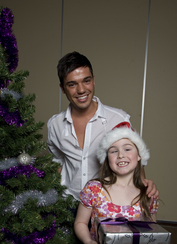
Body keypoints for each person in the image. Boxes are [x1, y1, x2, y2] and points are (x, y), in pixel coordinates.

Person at [47, 51, 158, 202]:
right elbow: (58, 161)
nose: (81, 90)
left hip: (106, 204)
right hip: (67, 204)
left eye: (86, 81)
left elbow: (135, 164)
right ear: (62, 88)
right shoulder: (55, 124)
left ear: (93, 80)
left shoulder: (118, 119)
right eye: (72, 84)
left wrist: (143, 186)